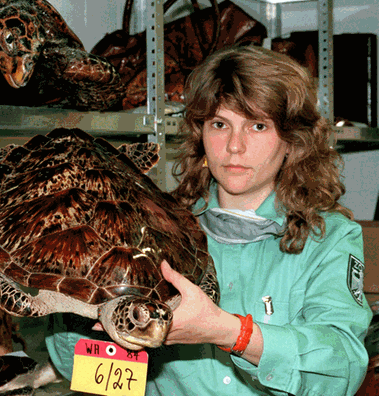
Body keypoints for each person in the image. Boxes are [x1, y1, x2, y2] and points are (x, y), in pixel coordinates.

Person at [45, 45, 372, 395]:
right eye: (219, 124)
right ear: (200, 134)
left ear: (292, 141)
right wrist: (75, 295)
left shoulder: (329, 237)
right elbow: (79, 367)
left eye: (258, 126)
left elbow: (343, 369)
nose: (234, 146)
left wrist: (231, 333)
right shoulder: (150, 228)